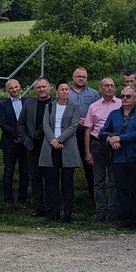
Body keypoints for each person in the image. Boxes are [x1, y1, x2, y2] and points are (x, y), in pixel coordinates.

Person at [101, 87, 136, 229]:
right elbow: (102, 132)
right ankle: (124, 218)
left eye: (128, 96)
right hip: (118, 158)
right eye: (122, 96)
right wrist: (111, 139)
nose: (125, 99)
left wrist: (120, 138)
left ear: (135, 99)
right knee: (121, 189)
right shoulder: (114, 114)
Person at [39, 81, 83, 222]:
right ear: (56, 91)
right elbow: (45, 124)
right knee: (51, 181)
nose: (64, 92)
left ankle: (68, 213)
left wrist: (60, 140)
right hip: (50, 145)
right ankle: (53, 212)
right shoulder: (50, 105)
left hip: (67, 146)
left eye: (66, 89)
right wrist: (52, 140)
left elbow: (73, 126)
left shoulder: (75, 106)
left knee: (67, 181)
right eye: (62, 89)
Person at [84, 78, 122, 223]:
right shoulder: (94, 106)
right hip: (98, 145)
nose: (109, 88)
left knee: (114, 180)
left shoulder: (121, 104)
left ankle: (112, 211)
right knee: (98, 180)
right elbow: (88, 130)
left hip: (115, 144)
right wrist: (87, 152)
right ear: (100, 88)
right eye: (106, 85)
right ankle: (100, 210)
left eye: (112, 85)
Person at [67, 66, 100, 207]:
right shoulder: (65, 92)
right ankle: (68, 201)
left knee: (90, 166)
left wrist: (86, 121)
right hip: (69, 134)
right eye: (78, 76)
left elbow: (99, 111)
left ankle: (95, 201)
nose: (81, 79)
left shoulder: (93, 94)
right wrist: (75, 120)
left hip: (88, 134)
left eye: (84, 77)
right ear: (73, 78)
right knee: (67, 167)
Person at [20, 78, 53, 217]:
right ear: (35, 90)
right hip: (32, 146)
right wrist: (26, 140)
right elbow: (20, 124)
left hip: (50, 146)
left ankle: (52, 207)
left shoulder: (56, 103)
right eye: (38, 87)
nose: (41, 89)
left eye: (43, 86)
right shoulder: (29, 103)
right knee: (35, 177)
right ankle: (39, 207)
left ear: (49, 87)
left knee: (50, 177)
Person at [0, 78, 28, 206]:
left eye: (16, 87)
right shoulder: (2, 105)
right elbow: (2, 123)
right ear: (7, 90)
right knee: (8, 171)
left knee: (25, 172)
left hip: (25, 143)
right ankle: (8, 200)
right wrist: (17, 135)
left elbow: (29, 122)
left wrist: (23, 136)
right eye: (11, 88)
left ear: (20, 87)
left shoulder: (27, 102)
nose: (14, 90)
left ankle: (22, 200)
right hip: (9, 143)